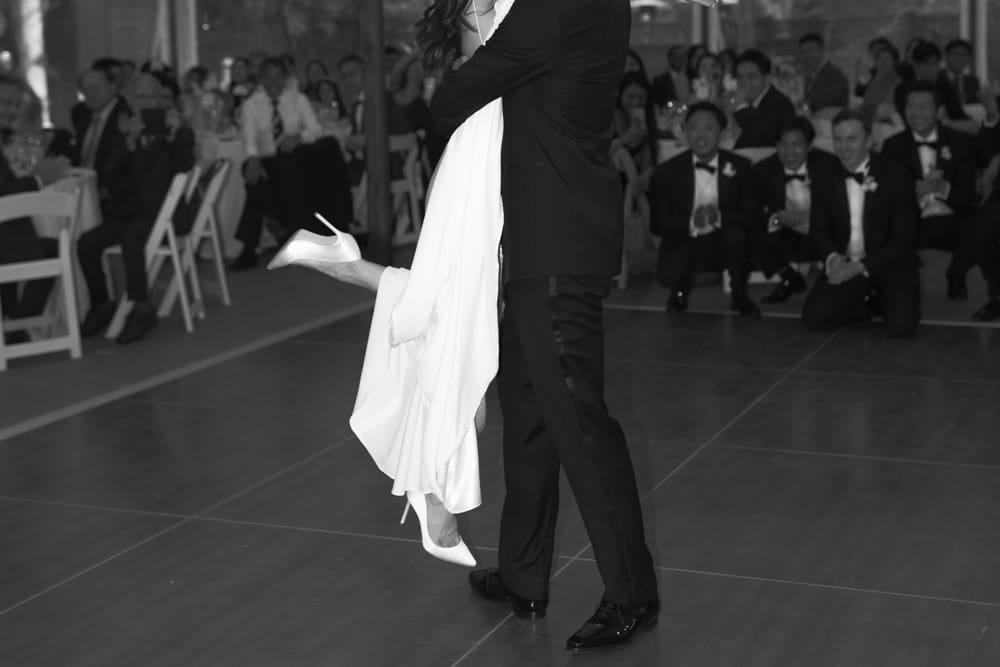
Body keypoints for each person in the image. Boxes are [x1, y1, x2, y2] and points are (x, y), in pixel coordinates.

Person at [75, 74, 196, 344]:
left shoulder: (177, 131)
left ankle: (142, 308)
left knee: (132, 235)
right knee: (86, 243)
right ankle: (101, 304)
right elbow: (110, 178)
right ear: (129, 101)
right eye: (140, 96)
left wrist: (174, 135)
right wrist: (129, 143)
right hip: (133, 212)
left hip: (166, 217)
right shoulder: (125, 132)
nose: (147, 102)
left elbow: (184, 165)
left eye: (153, 96)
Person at [802, 109, 920, 338]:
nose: (843, 147)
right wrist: (832, 258)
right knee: (814, 318)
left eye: (851, 139)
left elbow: (904, 239)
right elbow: (819, 228)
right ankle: (867, 303)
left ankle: (884, 300)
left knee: (902, 328)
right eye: (838, 139)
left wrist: (860, 267)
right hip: (845, 265)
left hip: (888, 264)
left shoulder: (897, 176)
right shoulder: (824, 175)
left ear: (869, 140)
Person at [229, 57, 354, 270]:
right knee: (253, 176)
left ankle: (252, 247)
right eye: (269, 78)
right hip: (266, 158)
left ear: (285, 79)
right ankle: (279, 231)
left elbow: (315, 129)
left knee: (287, 169)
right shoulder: (252, 104)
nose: (274, 83)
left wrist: (298, 137)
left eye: (278, 78)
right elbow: (248, 136)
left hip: (294, 159)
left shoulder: (298, 99)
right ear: (261, 80)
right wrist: (253, 158)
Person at [650, 101, 760, 318]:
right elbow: (657, 224)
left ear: (722, 133)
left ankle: (740, 296)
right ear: (684, 131)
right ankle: (679, 292)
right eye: (693, 127)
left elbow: (751, 215)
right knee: (672, 263)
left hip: (725, 237)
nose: (700, 135)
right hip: (687, 238)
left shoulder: (741, 166)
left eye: (708, 128)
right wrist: (693, 222)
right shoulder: (667, 171)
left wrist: (718, 217)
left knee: (737, 235)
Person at [881, 81, 978, 301]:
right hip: (914, 221)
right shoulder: (892, 146)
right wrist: (916, 193)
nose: (916, 113)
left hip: (952, 217)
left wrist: (942, 188)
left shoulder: (962, 143)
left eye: (924, 107)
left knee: (981, 224)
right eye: (910, 107)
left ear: (939, 111)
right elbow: (886, 202)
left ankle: (956, 274)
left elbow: (968, 197)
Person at [0, 74, 71, 345]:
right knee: (52, 248)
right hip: (5, 237)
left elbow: (37, 144)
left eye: (15, 104)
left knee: (47, 245)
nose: (11, 110)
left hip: (8, 230)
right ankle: (17, 327)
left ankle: (14, 323)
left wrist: (35, 139)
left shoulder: (18, 134)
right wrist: (39, 179)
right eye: (5, 102)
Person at [752, 117, 840, 304]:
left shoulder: (829, 166)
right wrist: (777, 219)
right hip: (785, 233)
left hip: (822, 233)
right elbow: (753, 210)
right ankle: (789, 277)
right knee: (746, 230)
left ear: (809, 146)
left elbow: (841, 209)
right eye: (782, 145)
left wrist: (809, 217)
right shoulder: (763, 170)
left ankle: (831, 281)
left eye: (796, 145)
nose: (789, 152)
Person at [70, 67, 132, 202]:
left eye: (96, 89)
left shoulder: (124, 116)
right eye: (86, 91)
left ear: (112, 87)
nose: (91, 95)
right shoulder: (82, 116)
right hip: (80, 190)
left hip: (112, 196)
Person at [732, 48, 797, 149]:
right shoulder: (751, 101)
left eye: (751, 77)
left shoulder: (780, 104)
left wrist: (741, 107)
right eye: (740, 78)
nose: (745, 83)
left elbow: (759, 139)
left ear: (767, 78)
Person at [799, 33, 849, 113]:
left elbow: (815, 104)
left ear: (822, 50)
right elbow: (807, 104)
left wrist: (800, 105)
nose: (807, 55)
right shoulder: (812, 77)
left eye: (811, 50)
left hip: (832, 120)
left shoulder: (834, 75)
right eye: (804, 52)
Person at [860, 44, 902, 125]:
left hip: (884, 124)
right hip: (867, 119)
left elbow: (885, 107)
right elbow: (865, 103)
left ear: (895, 62)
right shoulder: (872, 80)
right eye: (880, 58)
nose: (883, 62)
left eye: (887, 59)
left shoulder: (897, 82)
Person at [943, 39, 979, 106]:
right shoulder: (937, 79)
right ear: (946, 56)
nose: (959, 58)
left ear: (969, 59)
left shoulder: (973, 82)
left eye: (964, 55)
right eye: (955, 54)